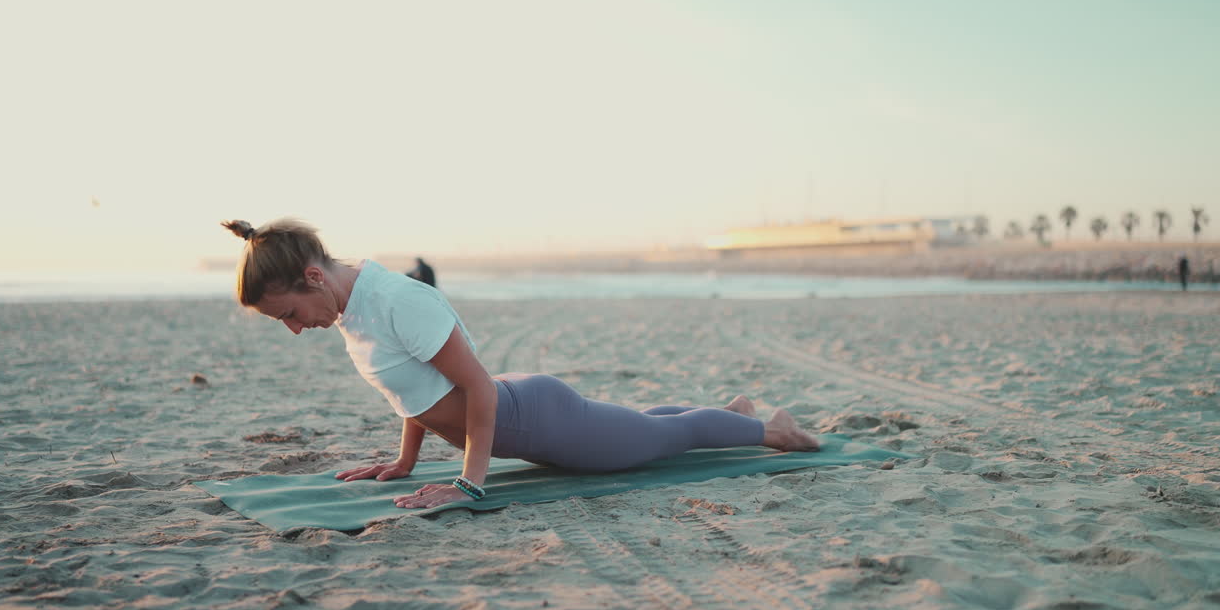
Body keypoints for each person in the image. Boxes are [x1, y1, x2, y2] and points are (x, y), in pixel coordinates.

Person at [220, 218, 819, 510]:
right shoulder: (356, 309)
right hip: (525, 415)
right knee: (642, 427)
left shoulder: (396, 300)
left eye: (290, 314)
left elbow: (475, 388)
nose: (297, 329)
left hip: (533, 416)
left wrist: (467, 483)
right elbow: (416, 391)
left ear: (314, 277)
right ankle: (732, 414)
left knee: (660, 438)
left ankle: (774, 431)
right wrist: (405, 461)